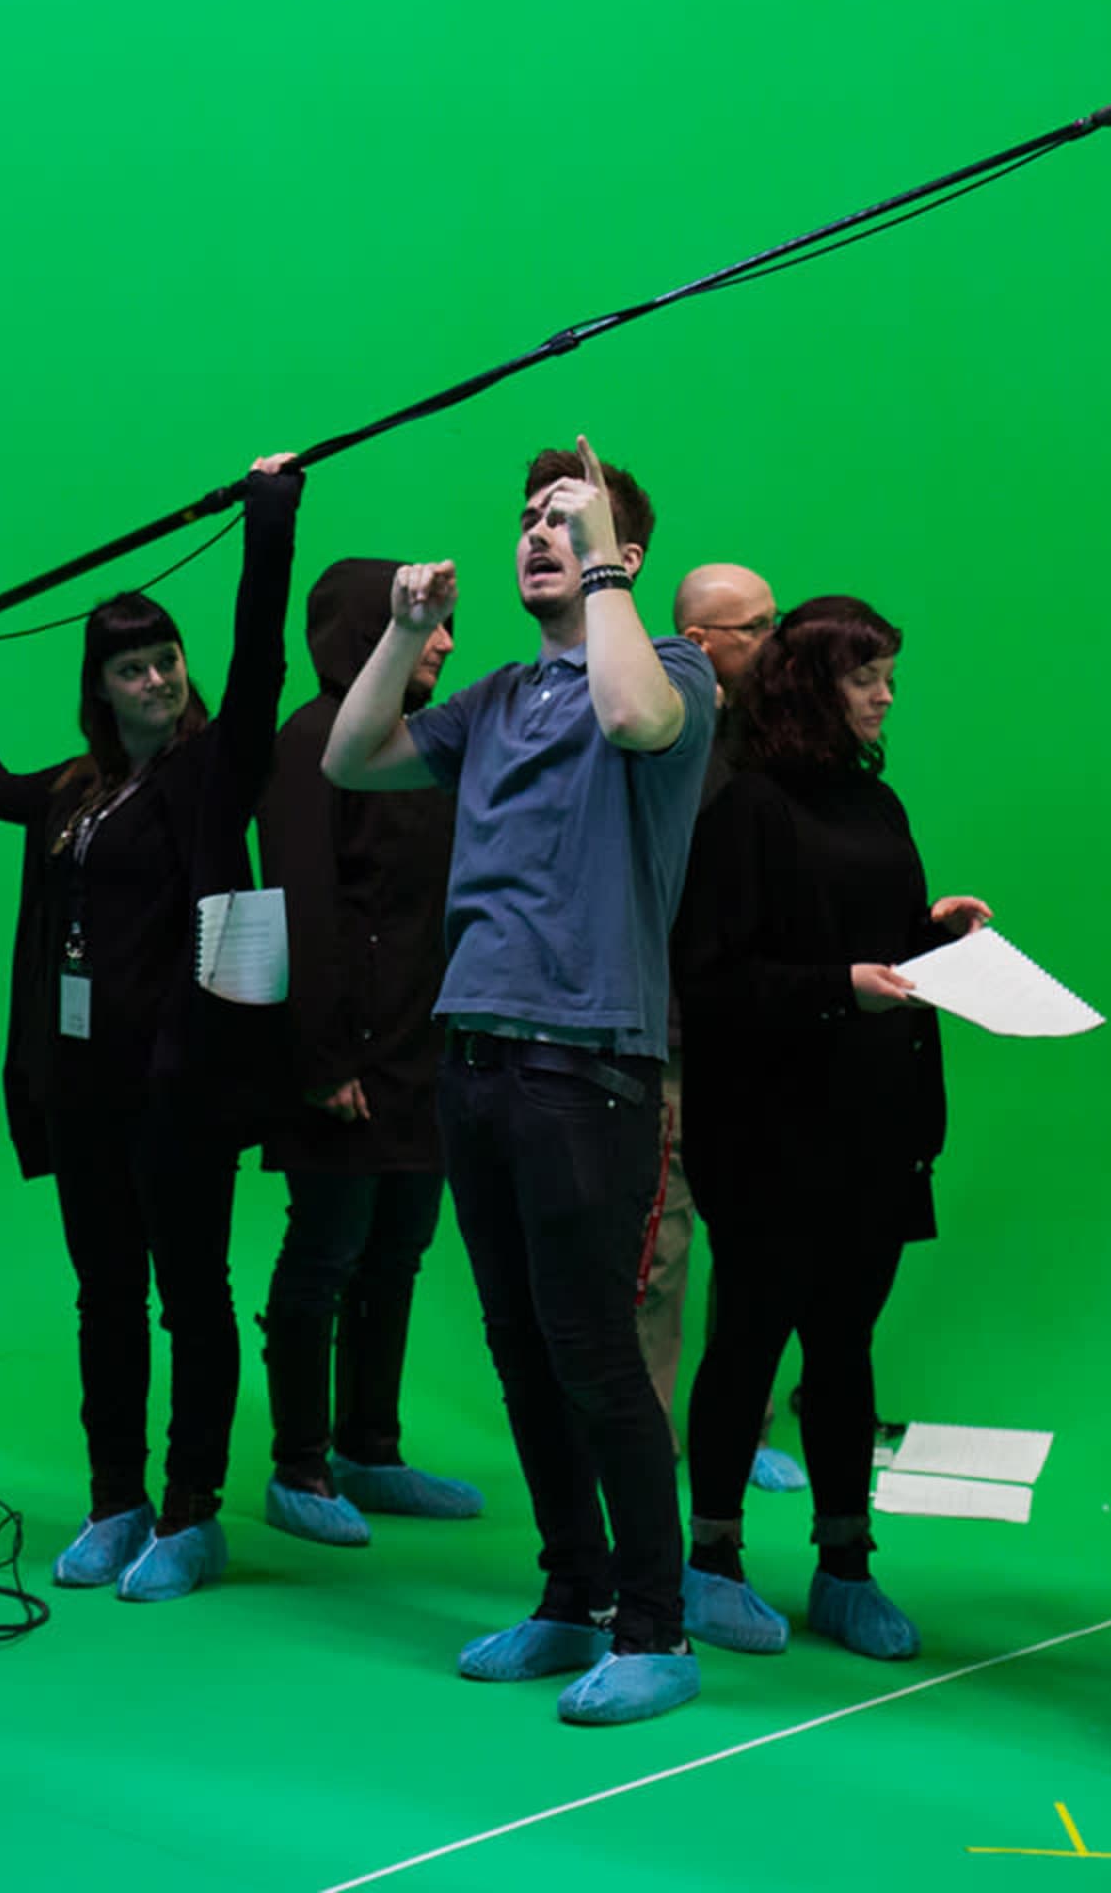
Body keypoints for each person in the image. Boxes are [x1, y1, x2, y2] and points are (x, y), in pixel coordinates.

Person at [323, 438, 714, 1725]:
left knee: (596, 1349)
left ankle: (656, 1630)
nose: (537, 535)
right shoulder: (489, 698)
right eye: (530, 520)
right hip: (476, 1056)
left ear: (620, 555)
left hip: (587, 1064)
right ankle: (571, 1596)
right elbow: (351, 758)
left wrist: (605, 560)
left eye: (567, 520)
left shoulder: (673, 672)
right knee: (521, 1347)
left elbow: (630, 720)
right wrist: (407, 629)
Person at [0, 452, 305, 1601]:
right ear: (102, 685)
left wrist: (270, 520)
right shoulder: (76, 789)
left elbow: (263, 652)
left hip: (179, 1090)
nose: (159, 681)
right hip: (80, 1089)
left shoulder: (212, 775)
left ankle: (192, 1514)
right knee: (106, 1297)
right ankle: (116, 1499)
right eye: (135, 668)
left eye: (168, 660)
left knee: (193, 1295)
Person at [671, 596, 985, 1664]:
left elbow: (882, 941)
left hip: (872, 1125)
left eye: (890, 676)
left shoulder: (878, 806)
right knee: (748, 1343)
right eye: (868, 678)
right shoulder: (746, 809)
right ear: (813, 686)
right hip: (767, 1131)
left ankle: (846, 1564)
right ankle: (710, 1560)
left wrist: (935, 933)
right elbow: (712, 981)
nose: (887, 695)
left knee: (845, 1351)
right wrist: (838, 989)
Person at [247, 556, 481, 1546]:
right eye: (429, 623)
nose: (447, 643)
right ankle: (298, 1465)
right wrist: (323, 1058)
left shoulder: (420, 746)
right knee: (324, 1258)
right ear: (364, 630)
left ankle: (369, 1450)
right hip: (343, 1060)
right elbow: (300, 905)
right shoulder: (310, 744)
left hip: (424, 1054)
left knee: (398, 1254)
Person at [655, 561, 802, 1493]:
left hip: (755, 1038)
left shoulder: (775, 743)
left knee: (752, 1242)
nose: (777, 640)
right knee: (658, 1249)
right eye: (758, 626)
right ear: (704, 642)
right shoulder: (663, 737)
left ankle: (739, 1430)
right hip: (669, 1032)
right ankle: (647, 1433)